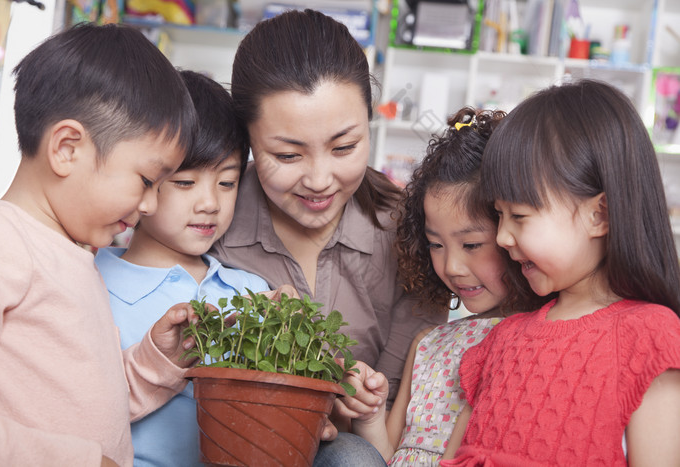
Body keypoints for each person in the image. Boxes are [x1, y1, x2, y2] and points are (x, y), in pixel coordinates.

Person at [0, 23, 201, 466]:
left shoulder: (76, 258)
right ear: (66, 148)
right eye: (146, 180)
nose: (152, 204)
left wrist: (155, 362)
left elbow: (87, 405)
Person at [211, 8, 442, 414]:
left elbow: (398, 404)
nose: (319, 180)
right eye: (287, 154)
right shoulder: (209, 216)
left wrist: (359, 405)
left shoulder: (409, 230)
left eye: (344, 148)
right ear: (246, 140)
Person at [441, 79, 680, 466]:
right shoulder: (503, 340)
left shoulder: (649, 338)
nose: (502, 236)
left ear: (598, 214)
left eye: (519, 216)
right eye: (499, 215)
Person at [335, 108, 548, 466]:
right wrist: (369, 415)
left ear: (512, 233)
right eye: (435, 244)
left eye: (471, 245)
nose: (450, 266)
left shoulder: (539, 336)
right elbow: (388, 455)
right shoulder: (429, 344)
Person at [95, 70, 275, 467]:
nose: (209, 202)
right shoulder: (93, 281)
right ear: (145, 178)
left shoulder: (252, 292)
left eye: (226, 183)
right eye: (185, 182)